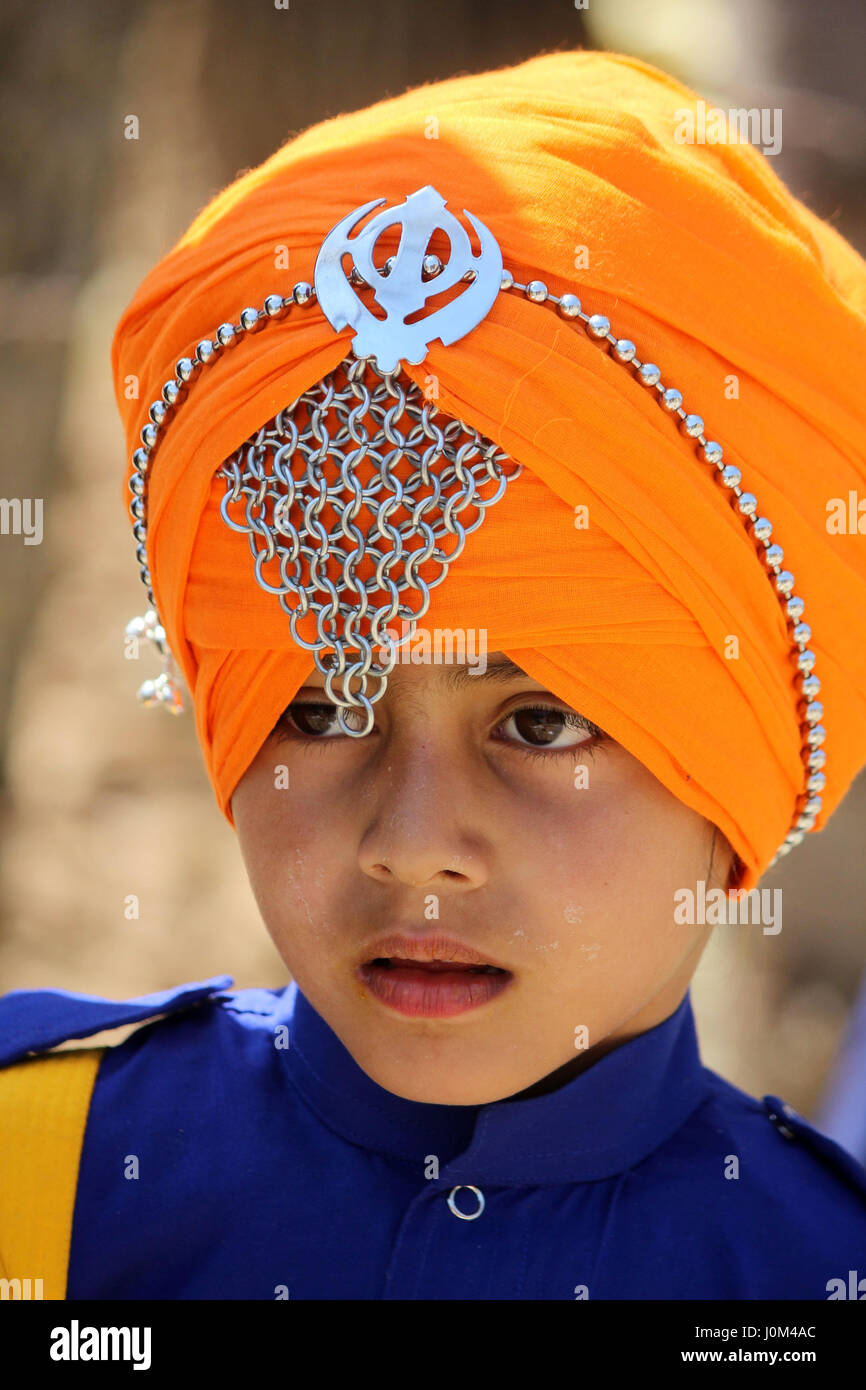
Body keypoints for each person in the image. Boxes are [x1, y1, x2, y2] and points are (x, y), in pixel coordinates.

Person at [2, 47, 866, 1301]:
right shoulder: (44, 1176)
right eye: (325, 703)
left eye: (541, 719)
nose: (410, 848)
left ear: (737, 769)